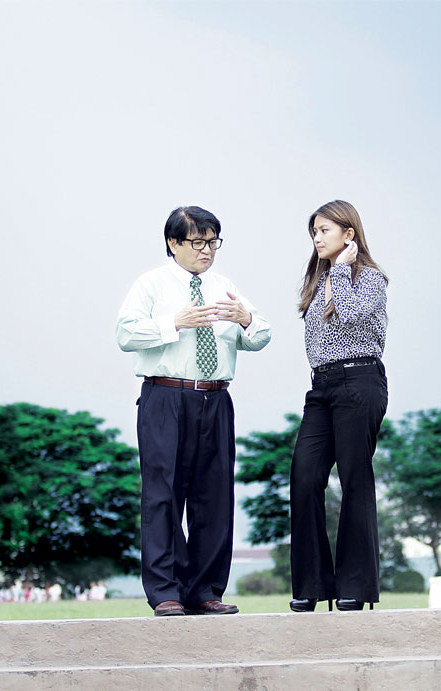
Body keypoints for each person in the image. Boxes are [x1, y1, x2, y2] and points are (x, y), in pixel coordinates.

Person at [116, 205, 271, 616]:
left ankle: (206, 591)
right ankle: (166, 591)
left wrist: (247, 318)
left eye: (213, 241)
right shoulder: (151, 285)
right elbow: (125, 334)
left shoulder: (224, 285)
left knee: (214, 497)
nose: (207, 250)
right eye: (197, 241)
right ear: (173, 243)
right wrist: (174, 323)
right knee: (163, 494)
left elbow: (260, 337)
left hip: (216, 398)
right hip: (166, 397)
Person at [289, 200, 388, 613]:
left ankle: (355, 586)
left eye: (325, 230)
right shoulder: (319, 280)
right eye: (314, 231)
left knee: (354, 479)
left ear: (349, 234)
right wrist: (332, 274)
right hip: (322, 388)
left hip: (360, 381)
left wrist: (344, 269)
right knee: (304, 476)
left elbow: (348, 317)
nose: (317, 238)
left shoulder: (371, 278)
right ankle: (312, 585)